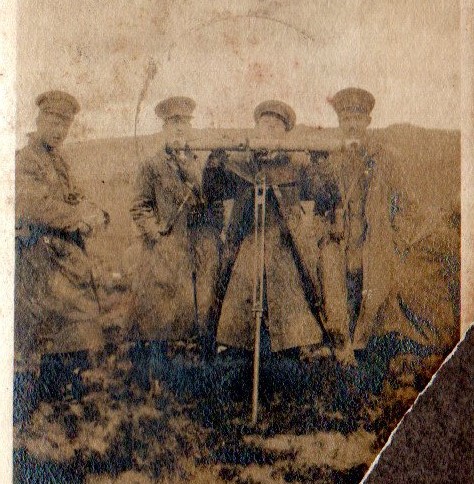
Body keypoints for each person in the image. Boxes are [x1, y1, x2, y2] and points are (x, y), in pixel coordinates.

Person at [204, 100, 325, 360]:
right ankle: (234, 346)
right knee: (238, 292)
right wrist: (214, 161)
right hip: (249, 239)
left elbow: (318, 192)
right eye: (264, 125)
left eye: (275, 127)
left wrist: (315, 164)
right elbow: (213, 190)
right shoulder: (243, 163)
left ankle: (295, 346)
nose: (268, 131)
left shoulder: (293, 164)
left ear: (284, 134)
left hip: (284, 241)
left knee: (292, 294)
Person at [15, 90, 109, 421]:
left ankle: (67, 397)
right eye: (54, 122)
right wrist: (79, 216)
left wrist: (96, 213)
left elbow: (78, 197)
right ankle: (49, 403)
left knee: (76, 326)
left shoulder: (60, 161)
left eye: (65, 125)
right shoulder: (25, 160)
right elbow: (35, 207)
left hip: (64, 257)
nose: (59, 131)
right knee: (56, 330)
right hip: (39, 258)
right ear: (39, 121)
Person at [128, 96, 222, 390]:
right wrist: (154, 233)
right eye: (173, 123)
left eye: (184, 123)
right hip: (167, 245)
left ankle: (206, 373)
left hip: (200, 244)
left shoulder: (201, 162)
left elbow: (213, 202)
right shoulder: (152, 165)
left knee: (205, 304)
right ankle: (158, 372)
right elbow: (140, 206)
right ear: (165, 128)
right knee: (160, 310)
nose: (179, 129)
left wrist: (214, 231)